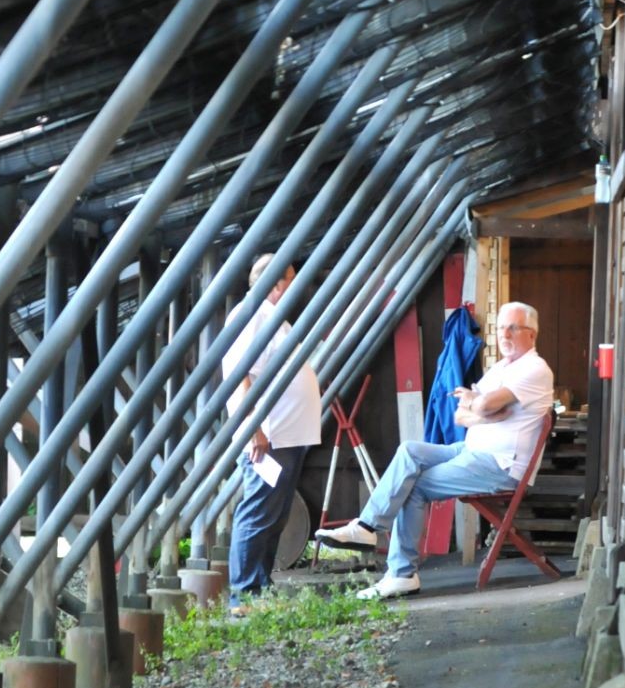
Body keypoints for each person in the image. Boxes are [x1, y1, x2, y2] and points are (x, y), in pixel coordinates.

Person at [319, 301, 553, 597]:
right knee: (409, 451)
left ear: (531, 334)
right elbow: (460, 414)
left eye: (513, 327)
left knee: (413, 485)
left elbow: (478, 403)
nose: (504, 334)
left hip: (500, 465)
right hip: (471, 450)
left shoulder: (534, 369)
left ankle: (402, 574)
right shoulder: (501, 369)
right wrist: (486, 411)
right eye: (501, 327)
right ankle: (366, 526)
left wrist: (479, 406)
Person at [222, 256, 321, 612]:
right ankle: (244, 594)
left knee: (274, 515)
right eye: (290, 279)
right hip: (270, 435)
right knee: (259, 512)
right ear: (274, 283)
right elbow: (239, 376)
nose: (294, 286)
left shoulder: (272, 319)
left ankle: (258, 588)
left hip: (286, 434)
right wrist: (254, 430)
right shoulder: (252, 316)